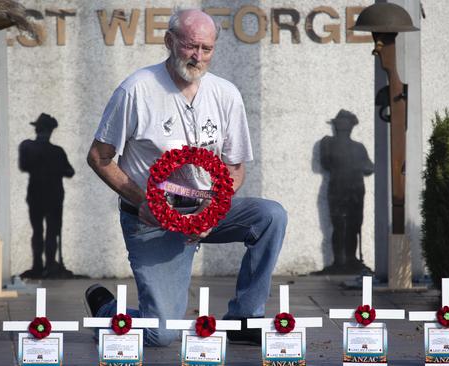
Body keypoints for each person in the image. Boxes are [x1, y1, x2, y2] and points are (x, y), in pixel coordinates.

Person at [85, 9, 287, 346]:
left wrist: (216, 207)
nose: (198, 56)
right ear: (169, 42)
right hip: (153, 219)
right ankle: (108, 310)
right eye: (190, 46)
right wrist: (144, 201)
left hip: (206, 210)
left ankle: (244, 316)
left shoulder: (226, 94)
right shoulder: (136, 90)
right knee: (160, 334)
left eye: (206, 49)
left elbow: (235, 167)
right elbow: (99, 158)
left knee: (271, 216)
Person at [315, 110, 373, 274]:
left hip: (355, 190)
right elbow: (326, 163)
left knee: (354, 226)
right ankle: (339, 261)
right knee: (339, 225)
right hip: (338, 188)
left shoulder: (358, 147)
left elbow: (369, 167)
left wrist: (359, 165)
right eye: (340, 124)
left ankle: (351, 259)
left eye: (345, 124)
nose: (342, 127)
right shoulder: (328, 143)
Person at [19, 113, 75, 278]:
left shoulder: (46, 150)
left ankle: (47, 265)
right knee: (45, 231)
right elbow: (25, 166)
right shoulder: (50, 150)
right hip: (46, 196)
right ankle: (42, 265)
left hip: (47, 196)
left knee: (48, 232)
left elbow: (70, 171)